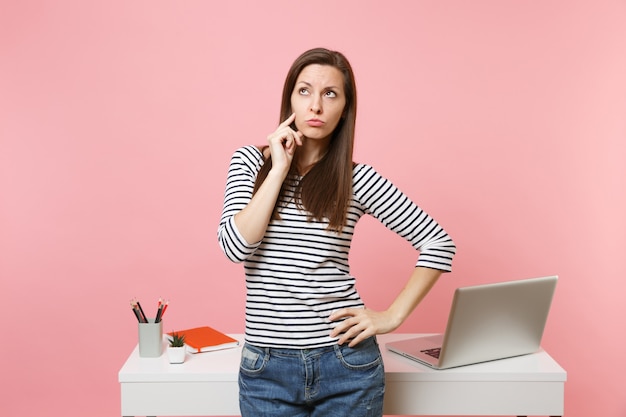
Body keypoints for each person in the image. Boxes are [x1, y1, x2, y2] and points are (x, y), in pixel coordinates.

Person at [217, 47, 456, 417]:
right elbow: (236, 248)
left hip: (345, 363)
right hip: (265, 370)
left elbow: (438, 242)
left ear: (345, 107)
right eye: (304, 91)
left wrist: (392, 316)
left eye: (330, 94)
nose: (315, 106)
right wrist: (279, 169)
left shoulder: (357, 179)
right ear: (290, 99)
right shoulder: (251, 162)